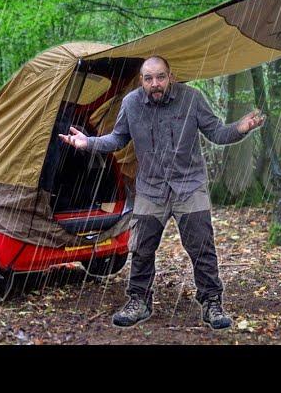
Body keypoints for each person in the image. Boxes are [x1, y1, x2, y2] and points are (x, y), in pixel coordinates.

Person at [59, 56, 265, 329]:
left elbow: (217, 132)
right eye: (148, 78)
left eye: (160, 77)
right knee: (141, 248)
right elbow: (118, 138)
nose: (155, 84)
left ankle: (212, 303)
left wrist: (240, 129)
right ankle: (139, 301)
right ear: (142, 81)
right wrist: (89, 143)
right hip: (151, 188)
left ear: (171, 77)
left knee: (202, 247)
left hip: (188, 185)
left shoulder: (192, 99)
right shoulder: (131, 103)